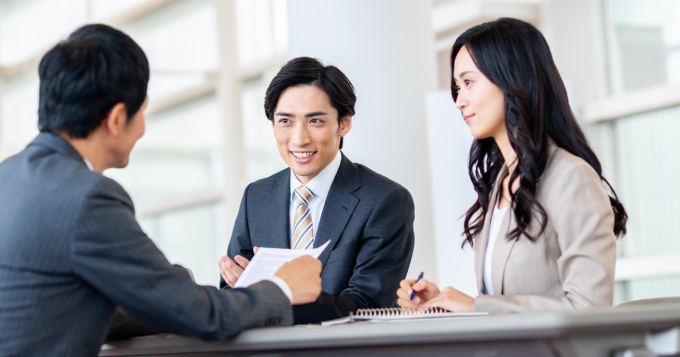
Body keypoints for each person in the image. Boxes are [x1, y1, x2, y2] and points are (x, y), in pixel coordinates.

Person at [0, 24, 322, 357]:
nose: (142, 128)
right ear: (116, 119)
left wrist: (163, 289)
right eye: (142, 111)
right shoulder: (87, 197)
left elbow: (55, 303)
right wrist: (282, 287)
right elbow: (202, 316)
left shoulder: (8, 177)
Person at [397, 18, 627, 314]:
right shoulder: (500, 185)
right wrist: (444, 305)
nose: (459, 101)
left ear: (512, 78)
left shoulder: (571, 176)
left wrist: (477, 306)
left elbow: (589, 307)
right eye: (457, 86)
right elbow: (503, 306)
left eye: (468, 82)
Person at [219, 57, 415, 324]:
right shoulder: (257, 196)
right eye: (285, 121)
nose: (299, 138)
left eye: (315, 121)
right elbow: (231, 289)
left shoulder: (385, 200)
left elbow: (366, 306)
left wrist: (272, 294)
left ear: (344, 123)